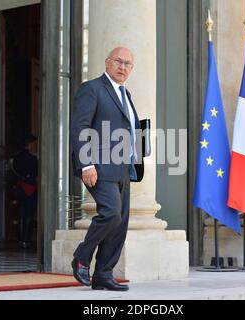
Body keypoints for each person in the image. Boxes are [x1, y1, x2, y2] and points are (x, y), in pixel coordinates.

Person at [70, 47, 144, 291]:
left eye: (128, 64)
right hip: (98, 165)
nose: (123, 67)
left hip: (123, 167)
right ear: (107, 62)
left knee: (119, 223)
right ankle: (82, 256)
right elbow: (80, 127)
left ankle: (103, 274)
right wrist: (86, 164)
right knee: (111, 213)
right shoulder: (92, 89)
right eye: (118, 62)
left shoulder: (126, 94)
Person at [11, 133, 38, 249]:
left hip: (21, 188)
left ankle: (21, 239)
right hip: (30, 187)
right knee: (29, 214)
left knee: (21, 214)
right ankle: (25, 239)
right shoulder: (31, 158)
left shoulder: (17, 157)